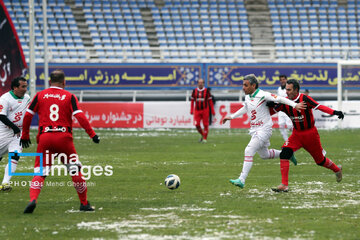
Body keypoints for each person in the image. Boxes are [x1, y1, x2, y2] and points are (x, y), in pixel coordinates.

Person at [20, 69, 100, 213]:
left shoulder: (40, 95)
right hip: (64, 138)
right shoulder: (69, 96)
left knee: (40, 172)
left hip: (45, 137)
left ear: (50, 82)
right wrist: (92, 134)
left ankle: (33, 199)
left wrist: (25, 134)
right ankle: (84, 203)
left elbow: (27, 115)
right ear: (64, 82)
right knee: (76, 171)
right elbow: (80, 117)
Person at [222, 74, 305, 189]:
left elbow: (280, 99)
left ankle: (241, 179)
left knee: (249, 150)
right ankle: (287, 154)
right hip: (255, 130)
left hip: (264, 130)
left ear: (253, 85)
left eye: (246, 85)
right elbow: (245, 107)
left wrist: (295, 105)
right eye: (243, 85)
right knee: (264, 155)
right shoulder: (248, 96)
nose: (243, 88)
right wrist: (232, 116)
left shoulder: (263, 95)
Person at [271, 79, 344, 192]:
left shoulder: (304, 99)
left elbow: (319, 106)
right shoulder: (284, 102)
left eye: (289, 90)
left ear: (296, 90)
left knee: (320, 161)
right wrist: (268, 105)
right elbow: (271, 111)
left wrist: (334, 112)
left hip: (310, 135)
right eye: (286, 90)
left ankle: (337, 169)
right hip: (296, 135)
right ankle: (284, 185)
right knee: (284, 153)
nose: (286, 92)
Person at [0, 77, 30, 192]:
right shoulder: (5, 99)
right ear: (15, 88)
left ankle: (5, 183)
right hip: (3, 133)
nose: (25, 89)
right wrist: (14, 127)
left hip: (17, 135)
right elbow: (1, 116)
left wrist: (22, 131)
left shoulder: (27, 98)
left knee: (15, 155)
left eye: (26, 86)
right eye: (23, 87)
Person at [190, 78, 215, 143]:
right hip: (197, 110)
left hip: (205, 110)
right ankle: (203, 135)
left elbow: (210, 101)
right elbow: (192, 101)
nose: (200, 84)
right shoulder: (194, 91)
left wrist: (212, 111)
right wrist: (191, 110)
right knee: (197, 124)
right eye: (199, 82)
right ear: (198, 83)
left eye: (202, 83)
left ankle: (204, 139)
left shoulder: (206, 91)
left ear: (203, 83)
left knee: (205, 125)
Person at [277, 75, 293, 141]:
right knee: (281, 126)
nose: (282, 81)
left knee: (290, 126)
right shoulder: (279, 89)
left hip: (288, 109)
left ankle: (296, 139)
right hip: (281, 110)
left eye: (284, 79)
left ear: (286, 80)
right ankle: (287, 141)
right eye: (281, 80)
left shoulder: (288, 88)